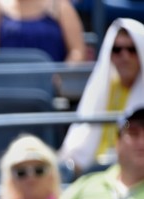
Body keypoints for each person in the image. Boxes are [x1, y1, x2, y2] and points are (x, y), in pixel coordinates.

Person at [59, 18, 144, 174]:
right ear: (109, 54)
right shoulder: (101, 87)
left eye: (132, 49)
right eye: (117, 50)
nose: (124, 57)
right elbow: (80, 141)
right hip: (91, 172)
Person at [0, 0, 86, 63]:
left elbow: (77, 51)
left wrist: (59, 78)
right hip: (5, 91)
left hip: (53, 94)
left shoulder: (59, 5)